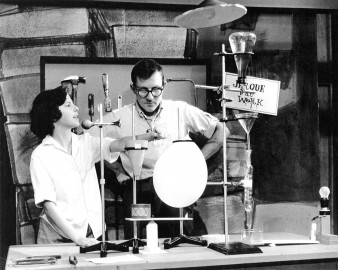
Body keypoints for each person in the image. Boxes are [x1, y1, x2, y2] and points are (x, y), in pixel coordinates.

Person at [91, 59, 227, 238]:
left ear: (163, 85)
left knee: (179, 241)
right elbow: (88, 142)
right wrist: (117, 170)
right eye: (143, 90)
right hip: (138, 187)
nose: (150, 97)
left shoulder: (180, 110)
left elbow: (222, 129)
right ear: (133, 89)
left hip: (175, 186)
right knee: (136, 244)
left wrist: (197, 161)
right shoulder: (119, 117)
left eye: (156, 90)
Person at [29, 86, 158, 246]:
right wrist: (77, 238)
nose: (76, 108)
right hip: (55, 235)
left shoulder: (86, 143)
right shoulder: (41, 155)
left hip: (91, 231)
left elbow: (119, 143)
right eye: (68, 105)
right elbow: (48, 205)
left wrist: (148, 136)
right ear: (53, 115)